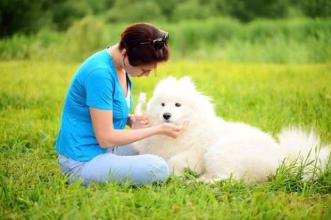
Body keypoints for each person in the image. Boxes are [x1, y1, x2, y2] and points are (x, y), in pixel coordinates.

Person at [55, 23, 183, 185]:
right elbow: (106, 138)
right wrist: (157, 129)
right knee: (157, 167)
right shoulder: (100, 74)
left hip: (107, 150)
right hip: (84, 160)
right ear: (125, 53)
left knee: (155, 148)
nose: (146, 75)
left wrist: (130, 120)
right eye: (144, 70)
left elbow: (103, 110)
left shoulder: (120, 66)